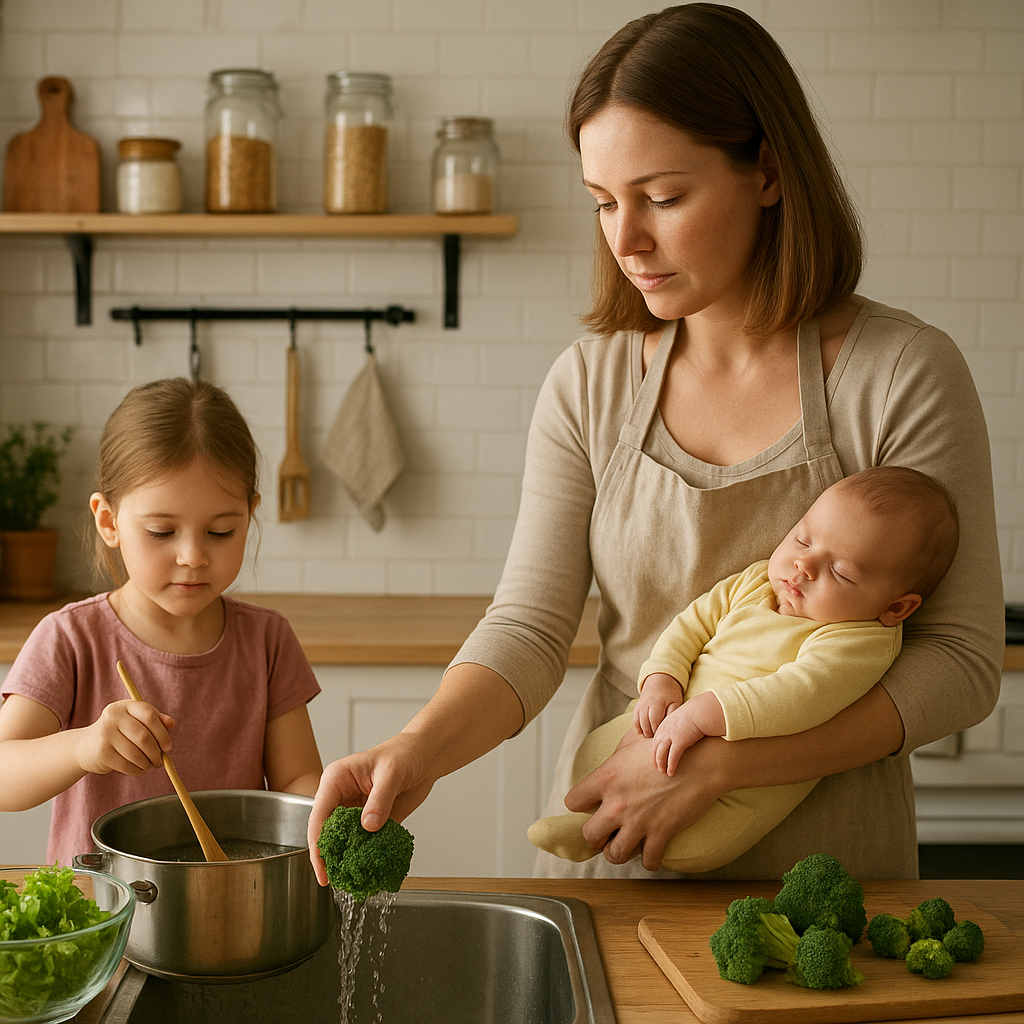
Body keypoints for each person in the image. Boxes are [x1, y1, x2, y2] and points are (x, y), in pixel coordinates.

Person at [307, 3, 1003, 883]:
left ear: (769, 173)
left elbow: (964, 663)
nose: (627, 240)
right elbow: (528, 626)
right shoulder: (589, 385)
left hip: (837, 895)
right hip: (617, 869)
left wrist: (723, 764)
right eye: (604, 203)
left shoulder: (901, 373)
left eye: (664, 198)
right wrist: (418, 747)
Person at [528, 466, 959, 871]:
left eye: (841, 572)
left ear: (896, 607)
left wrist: (704, 714)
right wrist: (663, 677)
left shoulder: (860, 639)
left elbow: (801, 694)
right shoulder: (756, 581)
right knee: (599, 756)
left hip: (744, 788)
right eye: (803, 540)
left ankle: (585, 836)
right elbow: (693, 624)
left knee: (699, 840)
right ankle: (585, 821)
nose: (803, 567)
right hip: (668, 718)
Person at [0, 378, 323, 866]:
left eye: (221, 531)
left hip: (228, 908)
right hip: (101, 922)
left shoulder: (267, 640)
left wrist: (331, 808)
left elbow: (297, 782)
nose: (193, 556)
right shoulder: (70, 639)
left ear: (251, 514)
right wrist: (84, 747)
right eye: (161, 531)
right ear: (108, 521)